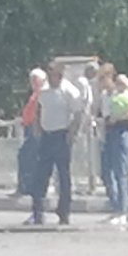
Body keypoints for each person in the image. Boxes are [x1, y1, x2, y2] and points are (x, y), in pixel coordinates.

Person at [30, 62, 85, 226]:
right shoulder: (44, 90)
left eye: (60, 75)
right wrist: (37, 127)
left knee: (63, 176)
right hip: (47, 136)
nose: (57, 78)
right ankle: (37, 212)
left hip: (62, 135)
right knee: (41, 175)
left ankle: (64, 212)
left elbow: (78, 113)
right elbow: (38, 109)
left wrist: (72, 133)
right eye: (54, 74)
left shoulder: (69, 91)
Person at [102, 73, 128, 226]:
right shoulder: (112, 96)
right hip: (110, 132)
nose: (118, 85)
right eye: (117, 82)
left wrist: (120, 118)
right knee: (109, 171)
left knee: (121, 173)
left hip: (122, 131)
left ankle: (122, 211)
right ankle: (116, 208)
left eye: (121, 83)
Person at [17, 67, 46, 208]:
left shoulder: (42, 93)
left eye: (35, 79)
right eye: (31, 80)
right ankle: (26, 185)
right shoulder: (34, 93)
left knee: (30, 157)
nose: (32, 82)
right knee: (25, 156)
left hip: (35, 129)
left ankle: (29, 186)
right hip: (29, 127)